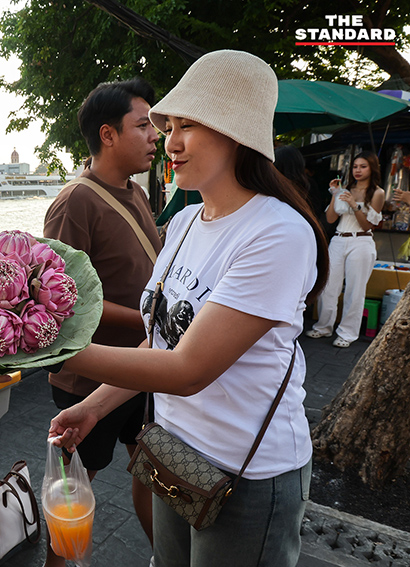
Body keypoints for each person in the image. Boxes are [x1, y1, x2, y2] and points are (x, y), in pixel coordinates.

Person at [48, 50, 329, 567]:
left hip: (247, 474)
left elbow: (188, 368)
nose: (169, 143)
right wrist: (94, 406)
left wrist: (53, 352)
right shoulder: (182, 224)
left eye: (189, 126)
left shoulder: (277, 232)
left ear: (236, 132)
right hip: (174, 457)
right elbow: (157, 342)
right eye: (167, 125)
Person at [42, 79, 161, 563]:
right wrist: (148, 319)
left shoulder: (135, 191)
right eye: (143, 124)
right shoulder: (76, 201)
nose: (156, 135)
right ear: (108, 135)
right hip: (88, 379)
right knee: (71, 498)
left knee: (153, 474)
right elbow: (60, 300)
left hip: (140, 365)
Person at [306, 151, 385, 347]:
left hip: (361, 241)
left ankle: (348, 333)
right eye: (355, 166)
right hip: (339, 239)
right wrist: (335, 194)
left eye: (363, 166)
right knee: (328, 285)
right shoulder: (345, 188)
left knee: (355, 289)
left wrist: (354, 205)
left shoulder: (377, 193)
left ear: (372, 168)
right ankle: (323, 326)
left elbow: (368, 225)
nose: (358, 170)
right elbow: (331, 219)